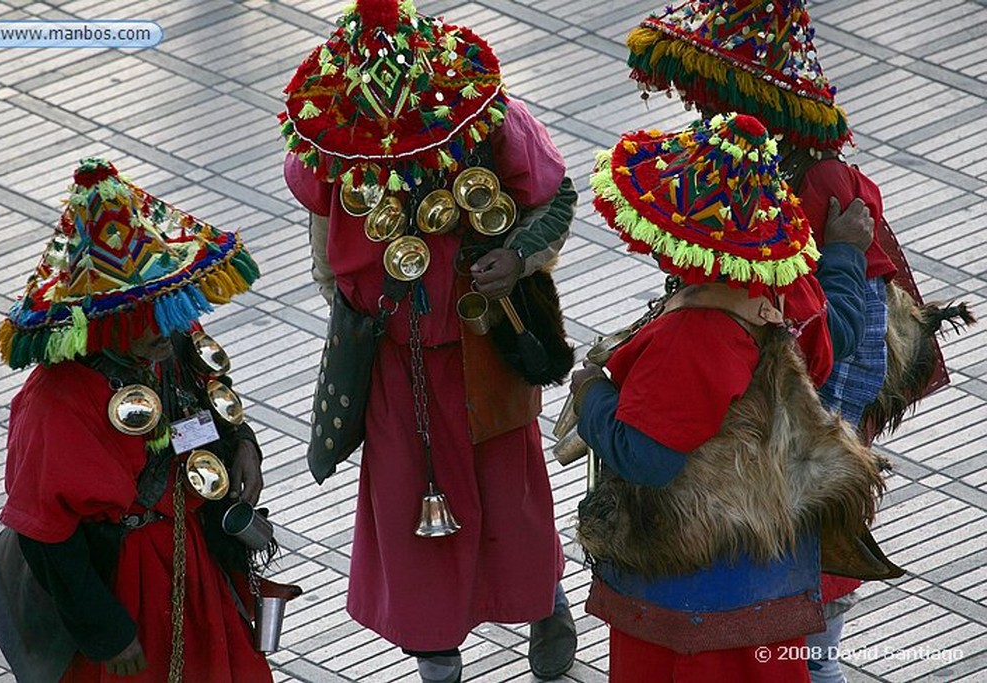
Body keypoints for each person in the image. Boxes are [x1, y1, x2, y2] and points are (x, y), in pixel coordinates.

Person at [623, 2, 973, 679]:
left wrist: (808, 458)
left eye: (721, 99)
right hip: (742, 484)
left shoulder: (825, 193)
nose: (707, 117)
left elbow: (853, 368)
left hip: (797, 483)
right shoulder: (734, 172)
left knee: (810, 656)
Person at [279, 1, 579, 680]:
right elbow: (322, 233)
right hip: (395, 366)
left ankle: (544, 601)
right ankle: (438, 665)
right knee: (411, 518)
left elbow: (555, 195)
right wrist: (354, 314)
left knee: (515, 502)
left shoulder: (484, 112)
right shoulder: (332, 135)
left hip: (483, 350)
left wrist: (521, 256)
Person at [573, 112, 887, 682]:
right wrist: (841, 256)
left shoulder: (691, 337)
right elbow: (833, 335)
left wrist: (591, 394)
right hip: (767, 573)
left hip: (690, 587)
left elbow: (646, 457)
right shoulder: (778, 288)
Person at [0, 157, 279, 682]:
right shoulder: (55, 399)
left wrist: (243, 447)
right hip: (128, 585)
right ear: (110, 322)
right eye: (150, 322)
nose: (169, 335)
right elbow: (44, 532)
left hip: (199, 558)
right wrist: (106, 631)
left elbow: (212, 401)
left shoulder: (170, 338)